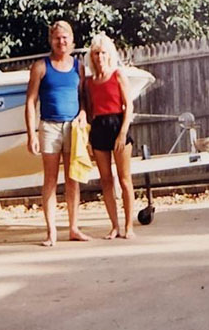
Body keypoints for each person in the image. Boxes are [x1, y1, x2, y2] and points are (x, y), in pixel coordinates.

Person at [25, 20, 90, 246]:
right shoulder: (41, 67)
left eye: (65, 37)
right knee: (50, 180)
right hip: (49, 127)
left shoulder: (78, 67)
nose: (61, 41)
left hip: (73, 127)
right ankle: (51, 231)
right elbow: (31, 101)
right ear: (51, 40)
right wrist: (31, 134)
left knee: (73, 179)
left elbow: (83, 96)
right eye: (57, 38)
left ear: (72, 40)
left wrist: (83, 112)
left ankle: (73, 228)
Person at [84, 33, 136, 239]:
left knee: (125, 180)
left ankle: (129, 226)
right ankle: (114, 226)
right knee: (105, 180)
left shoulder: (118, 75)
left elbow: (129, 105)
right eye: (96, 53)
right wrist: (88, 138)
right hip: (98, 127)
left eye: (103, 52)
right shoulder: (90, 82)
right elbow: (89, 111)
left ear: (109, 54)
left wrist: (122, 133)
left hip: (117, 125)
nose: (99, 57)